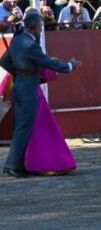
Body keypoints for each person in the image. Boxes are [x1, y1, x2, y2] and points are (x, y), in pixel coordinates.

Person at [1, 11, 80, 178]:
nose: (41, 29)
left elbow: (4, 61)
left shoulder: (17, 41)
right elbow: (48, 62)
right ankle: (12, 166)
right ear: (36, 26)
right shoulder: (31, 45)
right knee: (24, 128)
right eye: (41, 26)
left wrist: (19, 72)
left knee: (20, 127)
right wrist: (69, 66)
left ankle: (17, 164)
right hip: (28, 88)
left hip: (20, 86)